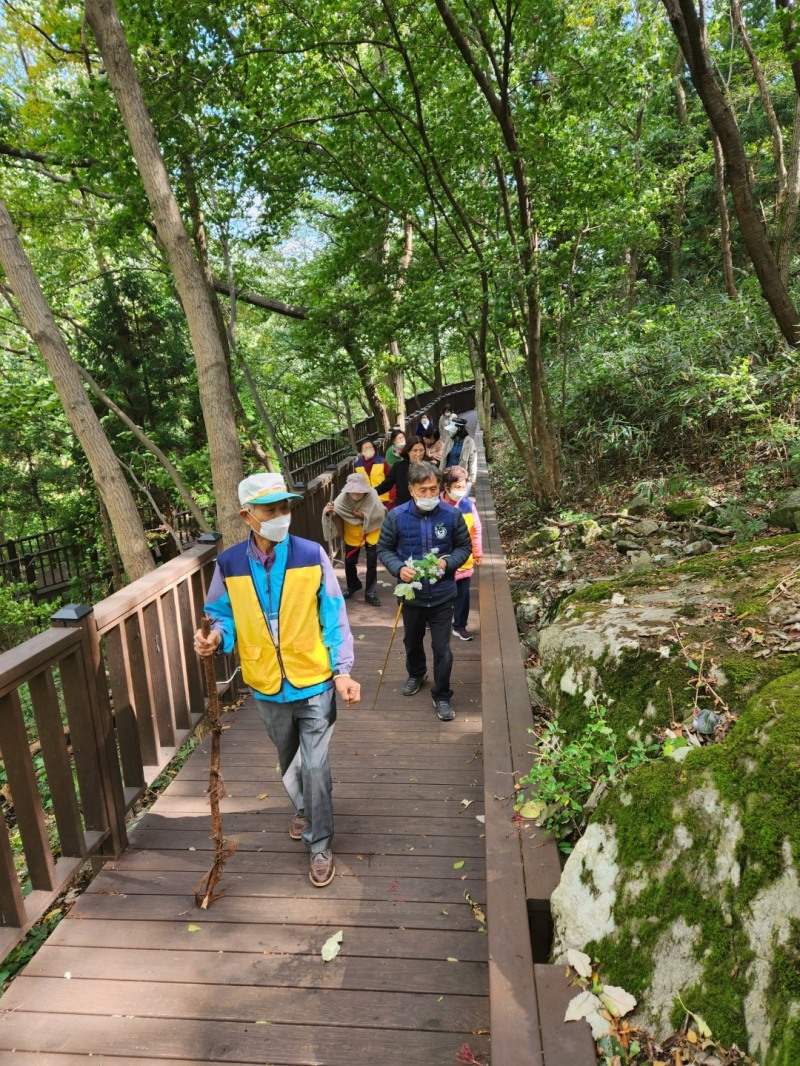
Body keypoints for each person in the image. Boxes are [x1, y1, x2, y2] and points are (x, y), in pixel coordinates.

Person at [193, 472, 361, 889]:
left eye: (285, 507)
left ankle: (319, 843)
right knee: (290, 760)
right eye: (271, 509)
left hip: (315, 678)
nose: (282, 516)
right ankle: (304, 808)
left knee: (316, 764)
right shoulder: (229, 563)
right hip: (265, 682)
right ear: (247, 515)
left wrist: (342, 671)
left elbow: (334, 615)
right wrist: (214, 638)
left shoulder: (311, 554)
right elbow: (222, 615)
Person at [377, 461, 472, 721]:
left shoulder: (452, 515)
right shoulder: (396, 516)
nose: (429, 495)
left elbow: (465, 547)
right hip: (411, 595)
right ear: (411, 489)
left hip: (443, 594)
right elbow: (383, 549)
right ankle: (416, 674)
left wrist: (448, 562)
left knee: (443, 649)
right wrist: (398, 569)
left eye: (433, 489)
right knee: (412, 640)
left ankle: (442, 695)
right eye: (423, 490)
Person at [322, 472, 385, 606]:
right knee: (349, 561)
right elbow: (333, 513)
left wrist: (364, 516)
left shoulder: (372, 495)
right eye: (353, 491)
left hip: (371, 531)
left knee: (372, 562)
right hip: (352, 532)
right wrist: (328, 511)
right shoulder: (342, 498)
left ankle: (370, 593)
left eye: (359, 491)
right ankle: (353, 585)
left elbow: (381, 513)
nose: (356, 494)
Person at [441, 465, 483, 640]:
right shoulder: (436, 505)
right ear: (446, 487)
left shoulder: (467, 506)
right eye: (457, 487)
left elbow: (476, 529)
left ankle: (459, 625)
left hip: (464, 560)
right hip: (441, 560)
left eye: (463, 486)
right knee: (440, 595)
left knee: (463, 596)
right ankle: (437, 622)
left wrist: (477, 552)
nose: (461, 490)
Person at [373, 436, 426, 507]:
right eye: (415, 450)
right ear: (408, 451)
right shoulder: (398, 467)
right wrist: (369, 494)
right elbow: (385, 486)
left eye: (421, 450)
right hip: (403, 508)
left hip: (423, 507)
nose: (418, 454)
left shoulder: (429, 467)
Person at [441, 417, 478, 486]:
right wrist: (440, 472)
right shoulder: (448, 439)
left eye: (452, 429)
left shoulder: (469, 442)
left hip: (460, 476)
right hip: (447, 474)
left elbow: (472, 460)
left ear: (459, 429)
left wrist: (472, 477)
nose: (449, 431)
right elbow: (443, 456)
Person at [354, 438, 390, 504]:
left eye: (370, 447)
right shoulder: (357, 465)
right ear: (361, 452)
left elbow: (390, 479)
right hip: (366, 500)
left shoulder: (382, 461)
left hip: (383, 500)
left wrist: (392, 496)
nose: (369, 449)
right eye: (366, 448)